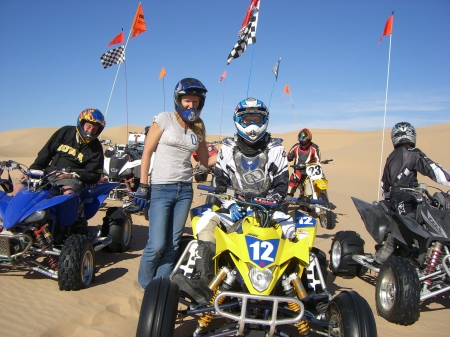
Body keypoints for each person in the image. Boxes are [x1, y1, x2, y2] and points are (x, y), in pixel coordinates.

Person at [173, 97, 291, 306]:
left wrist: (271, 201)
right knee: (206, 224)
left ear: (265, 120)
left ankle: (307, 291)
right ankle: (203, 280)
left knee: (298, 235)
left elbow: (282, 184)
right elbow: (220, 181)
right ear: (238, 120)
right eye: (247, 119)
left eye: (257, 118)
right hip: (234, 207)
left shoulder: (276, 148)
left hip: (270, 210)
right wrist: (229, 202)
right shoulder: (227, 148)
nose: (252, 124)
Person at [134, 78, 214, 290]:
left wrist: (229, 152)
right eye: (188, 101)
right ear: (179, 100)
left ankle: (158, 290)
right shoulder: (164, 119)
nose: (192, 106)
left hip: (185, 190)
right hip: (161, 188)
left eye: (196, 102)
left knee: (172, 245)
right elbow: (147, 152)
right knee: (156, 244)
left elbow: (205, 161)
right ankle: (144, 285)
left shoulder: (199, 127)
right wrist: (143, 185)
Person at [14, 108, 106, 234]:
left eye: (94, 129)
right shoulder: (65, 132)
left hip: (73, 179)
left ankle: (77, 226)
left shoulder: (96, 148)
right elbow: (45, 153)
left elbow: (94, 174)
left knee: (68, 192)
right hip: (50, 174)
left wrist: (73, 175)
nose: (90, 131)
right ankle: (16, 225)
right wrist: (32, 171)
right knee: (19, 188)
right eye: (88, 127)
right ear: (81, 123)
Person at [374, 122, 450, 264]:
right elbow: (434, 170)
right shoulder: (413, 153)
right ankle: (390, 247)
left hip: (399, 197)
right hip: (406, 196)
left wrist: (387, 198)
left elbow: (384, 183)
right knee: (409, 221)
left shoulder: (391, 157)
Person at [286, 128, 321, 197]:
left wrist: (310, 164)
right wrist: (287, 156)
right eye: (301, 139)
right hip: (298, 169)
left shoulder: (314, 147)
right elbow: (289, 157)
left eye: (304, 140)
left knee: (309, 188)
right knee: (292, 182)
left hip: (310, 170)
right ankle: (288, 198)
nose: (303, 142)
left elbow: (317, 159)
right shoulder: (296, 146)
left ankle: (309, 198)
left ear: (309, 139)